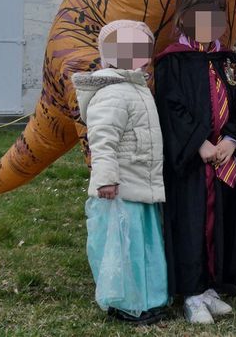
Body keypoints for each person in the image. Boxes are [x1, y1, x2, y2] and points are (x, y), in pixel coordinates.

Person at [154, 0, 236, 325]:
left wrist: (231, 142)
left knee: (222, 221)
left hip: (225, 160)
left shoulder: (229, 62)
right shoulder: (173, 63)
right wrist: (201, 144)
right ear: (183, 19)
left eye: (215, 16)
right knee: (192, 223)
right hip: (191, 164)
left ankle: (213, 285)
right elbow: (172, 108)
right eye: (201, 16)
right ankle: (192, 292)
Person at [72, 19, 169, 326]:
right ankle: (127, 302)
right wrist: (106, 179)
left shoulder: (135, 88)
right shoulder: (112, 92)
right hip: (121, 186)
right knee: (124, 247)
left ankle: (150, 299)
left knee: (145, 246)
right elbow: (102, 139)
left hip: (141, 183)